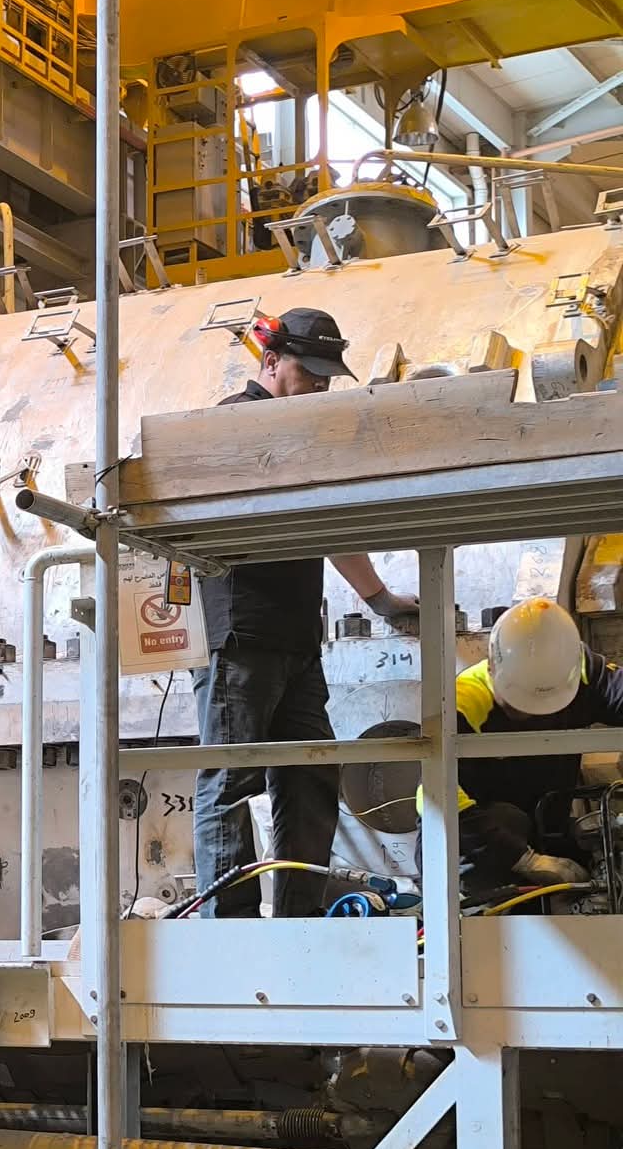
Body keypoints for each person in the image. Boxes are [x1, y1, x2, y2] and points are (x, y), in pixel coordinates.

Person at [194, 307, 421, 916]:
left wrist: (379, 599)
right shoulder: (233, 424)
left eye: (327, 376)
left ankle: (298, 921)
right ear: (270, 361)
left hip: (296, 644)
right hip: (241, 638)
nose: (320, 384)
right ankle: (229, 932)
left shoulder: (301, 435)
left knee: (311, 775)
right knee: (231, 781)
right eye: (309, 372)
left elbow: (328, 523)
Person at [440, 596, 623, 891]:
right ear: (492, 668)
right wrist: (526, 861)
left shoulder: (581, 672)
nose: (532, 714)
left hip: (547, 826)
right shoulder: (463, 701)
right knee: (507, 820)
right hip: (479, 841)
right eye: (518, 704)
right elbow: (435, 798)